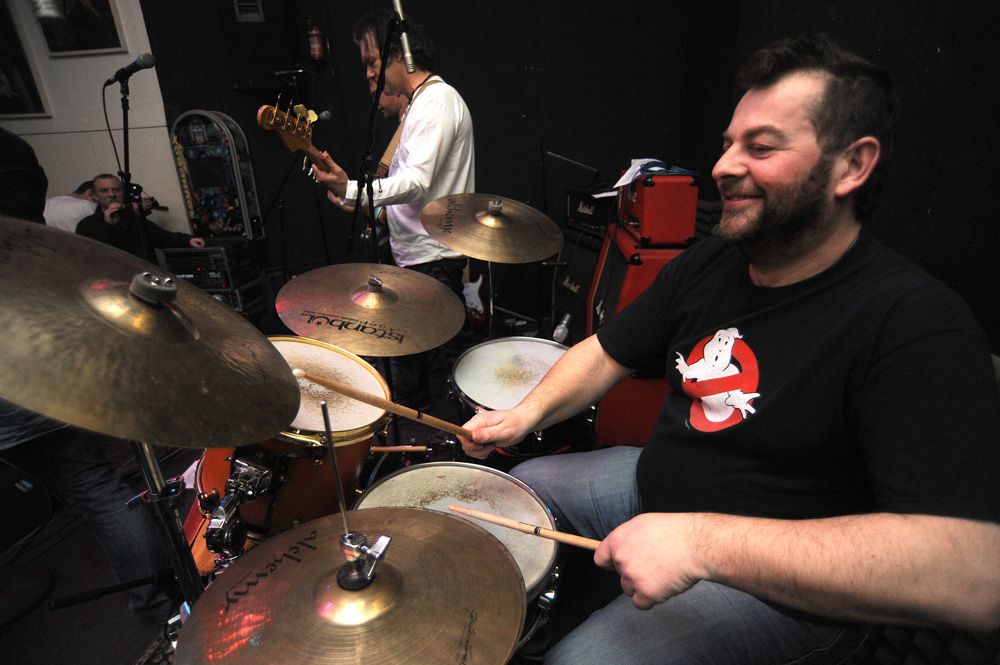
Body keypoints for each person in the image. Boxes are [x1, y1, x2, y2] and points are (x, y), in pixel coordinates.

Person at [459, 34, 1000, 664]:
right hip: (656, 492)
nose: (722, 166)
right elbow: (605, 351)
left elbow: (974, 573)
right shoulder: (713, 260)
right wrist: (525, 414)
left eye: (760, 147)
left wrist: (700, 543)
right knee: (514, 490)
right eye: (727, 144)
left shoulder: (913, 323)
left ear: (853, 166)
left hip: (781, 591)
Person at [0, 128, 174, 621]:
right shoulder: (36, 228)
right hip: (44, 371)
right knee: (101, 489)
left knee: (94, 488)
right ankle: (159, 604)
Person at [312, 8, 474, 410]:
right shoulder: (418, 105)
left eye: (372, 61)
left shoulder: (436, 101)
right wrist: (353, 198)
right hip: (416, 255)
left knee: (450, 369)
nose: (370, 74)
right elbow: (412, 198)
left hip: (434, 258)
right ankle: (416, 435)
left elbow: (416, 183)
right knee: (411, 364)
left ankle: (468, 441)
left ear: (400, 53)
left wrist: (351, 189)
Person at [76, 173, 204, 260]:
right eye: (104, 191)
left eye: (116, 190)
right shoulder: (87, 225)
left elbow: (162, 237)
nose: (111, 194)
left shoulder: (132, 219)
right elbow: (94, 255)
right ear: (95, 196)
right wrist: (108, 224)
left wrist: (188, 240)